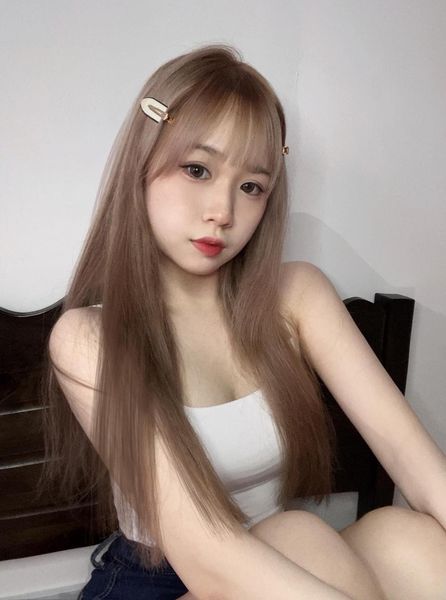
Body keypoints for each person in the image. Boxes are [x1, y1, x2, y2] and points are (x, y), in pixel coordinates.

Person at [41, 43, 446, 600]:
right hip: (158, 579)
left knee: (411, 543)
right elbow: (209, 560)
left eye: (251, 186)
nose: (223, 212)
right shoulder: (88, 338)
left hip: (280, 559)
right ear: (142, 165)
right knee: (301, 536)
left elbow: (416, 465)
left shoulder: (297, 296)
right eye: (197, 169)